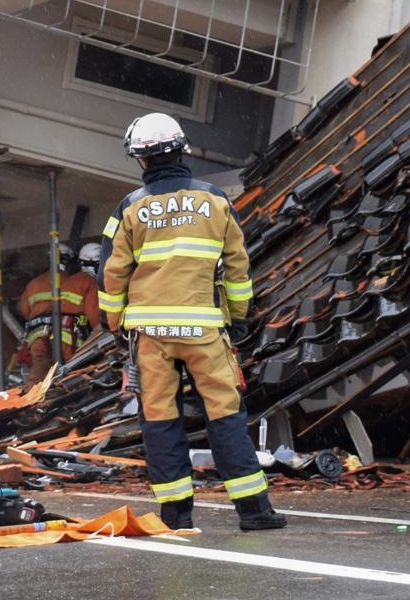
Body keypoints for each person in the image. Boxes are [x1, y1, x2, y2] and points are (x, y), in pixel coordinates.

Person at [98, 112, 285, 533]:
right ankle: (254, 511)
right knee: (224, 415)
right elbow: (238, 267)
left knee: (161, 422)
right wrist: (237, 319)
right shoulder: (215, 200)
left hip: (150, 337)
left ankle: (176, 516)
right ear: (182, 150)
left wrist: (116, 325)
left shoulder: (129, 208)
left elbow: (111, 274)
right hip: (204, 331)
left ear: (140, 159)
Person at [16, 244, 76, 383]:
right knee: (71, 370)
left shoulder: (34, 284)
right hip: (66, 335)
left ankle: (32, 397)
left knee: (38, 372)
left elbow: (24, 310)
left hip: (38, 334)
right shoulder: (73, 281)